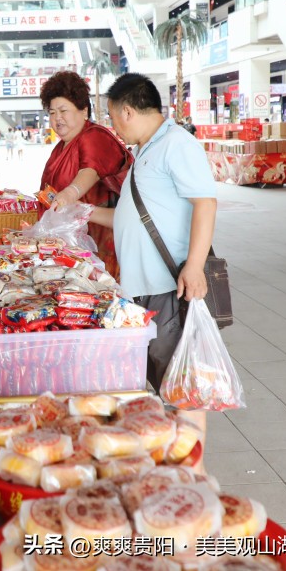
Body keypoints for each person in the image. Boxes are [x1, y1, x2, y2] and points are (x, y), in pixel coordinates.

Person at [88, 73, 216, 457]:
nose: (113, 126)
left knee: (179, 384)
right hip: (140, 289)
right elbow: (133, 216)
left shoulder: (177, 144)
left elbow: (205, 203)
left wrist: (194, 266)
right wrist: (81, 213)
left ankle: (191, 467)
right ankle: (168, 459)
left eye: (113, 118)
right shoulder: (145, 150)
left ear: (127, 110)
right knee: (158, 382)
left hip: (167, 286)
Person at [40, 70, 132, 279]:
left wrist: (71, 192)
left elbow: (90, 170)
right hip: (73, 247)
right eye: (52, 112)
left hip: (101, 248)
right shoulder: (61, 147)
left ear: (83, 111)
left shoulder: (93, 136)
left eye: (63, 110)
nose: (57, 118)